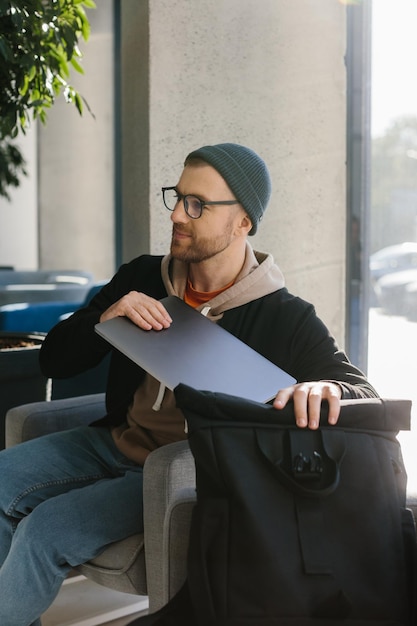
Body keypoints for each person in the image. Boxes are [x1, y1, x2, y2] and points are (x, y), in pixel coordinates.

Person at [0, 143, 378, 625]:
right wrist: (103, 319)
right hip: (112, 443)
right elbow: (54, 358)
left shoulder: (284, 316)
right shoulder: (142, 275)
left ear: (243, 222)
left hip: (177, 470)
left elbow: (358, 388)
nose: (178, 214)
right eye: (177, 197)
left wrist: (325, 390)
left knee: (45, 530)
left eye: (197, 204)